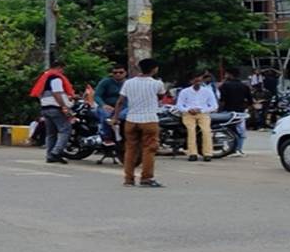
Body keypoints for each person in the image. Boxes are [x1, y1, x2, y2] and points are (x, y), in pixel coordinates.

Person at [111, 58, 167, 187]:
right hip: (149, 120)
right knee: (149, 149)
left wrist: (115, 117)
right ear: (154, 69)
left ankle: (128, 179)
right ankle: (146, 178)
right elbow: (160, 96)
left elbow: (120, 102)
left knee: (130, 149)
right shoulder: (157, 83)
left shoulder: (129, 83)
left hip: (131, 120)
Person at [30, 58, 74, 164]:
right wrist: (64, 106)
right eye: (63, 69)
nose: (63, 72)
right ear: (59, 68)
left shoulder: (44, 79)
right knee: (65, 129)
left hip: (45, 108)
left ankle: (50, 156)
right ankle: (56, 152)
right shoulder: (56, 78)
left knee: (51, 133)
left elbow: (39, 94)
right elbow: (57, 93)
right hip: (55, 108)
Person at [175, 73, 217, 162]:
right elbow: (179, 105)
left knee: (206, 131)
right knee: (191, 131)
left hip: (203, 113)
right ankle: (192, 153)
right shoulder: (184, 92)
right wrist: (188, 110)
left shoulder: (207, 91)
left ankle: (207, 154)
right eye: (196, 81)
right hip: (188, 114)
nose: (198, 83)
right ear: (191, 81)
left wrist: (201, 110)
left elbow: (214, 106)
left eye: (199, 81)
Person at [219, 68, 253, 156]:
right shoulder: (244, 86)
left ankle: (229, 149)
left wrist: (219, 110)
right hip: (240, 112)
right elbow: (250, 101)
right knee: (241, 131)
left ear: (230, 75)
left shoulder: (225, 86)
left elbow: (222, 100)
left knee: (227, 130)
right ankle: (239, 149)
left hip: (228, 112)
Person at [93, 66, 127, 145]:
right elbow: (97, 96)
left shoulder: (128, 83)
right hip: (107, 106)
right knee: (106, 115)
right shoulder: (105, 82)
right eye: (115, 73)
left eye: (121, 72)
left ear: (125, 73)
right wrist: (103, 105)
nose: (118, 74)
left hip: (123, 107)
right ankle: (107, 137)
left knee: (127, 116)